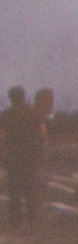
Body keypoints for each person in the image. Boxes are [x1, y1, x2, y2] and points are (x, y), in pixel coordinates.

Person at [3, 86, 44, 231]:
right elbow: (42, 134)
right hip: (30, 157)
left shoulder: (7, 114)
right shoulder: (33, 113)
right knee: (30, 191)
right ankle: (31, 223)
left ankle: (15, 224)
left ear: (11, 98)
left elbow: (2, 136)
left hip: (13, 158)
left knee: (14, 192)